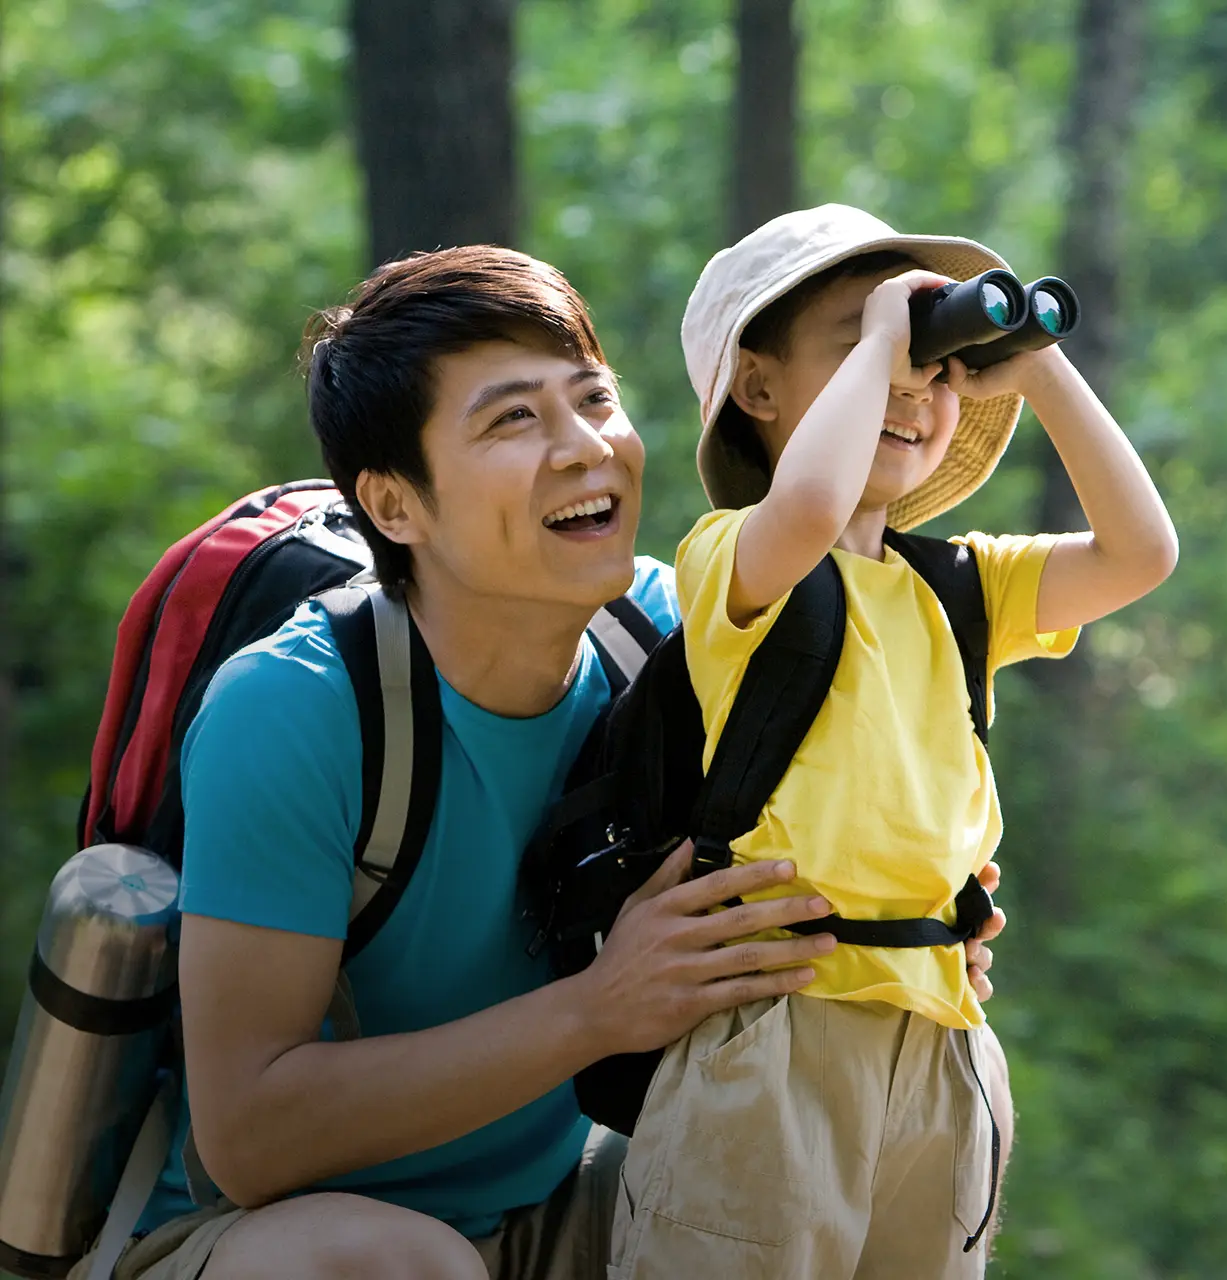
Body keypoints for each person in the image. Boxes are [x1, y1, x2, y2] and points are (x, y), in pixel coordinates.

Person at [67, 245, 1008, 1280]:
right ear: (394, 505)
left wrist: (905, 930)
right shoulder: (297, 708)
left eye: (594, 399)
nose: (585, 448)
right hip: (282, 1236)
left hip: (563, 1202)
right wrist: (600, 1007)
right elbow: (248, 1136)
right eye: (514, 418)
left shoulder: (670, 635)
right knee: (395, 1263)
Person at [611, 204, 1178, 1278]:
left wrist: (1039, 367)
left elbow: (1142, 550)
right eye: (858, 338)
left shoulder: (960, 584)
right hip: (775, 1033)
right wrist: (890, 337)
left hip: (943, 1038)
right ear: (759, 387)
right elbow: (813, 501)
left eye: (938, 363)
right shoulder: (732, 554)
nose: (915, 384)